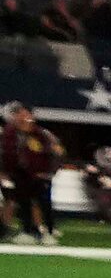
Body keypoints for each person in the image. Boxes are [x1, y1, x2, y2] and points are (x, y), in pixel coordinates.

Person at [5, 104, 65, 245]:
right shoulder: (11, 133)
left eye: (26, 115)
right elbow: (8, 155)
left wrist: (50, 172)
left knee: (44, 205)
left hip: (40, 176)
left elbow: (57, 153)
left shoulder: (42, 134)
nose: (23, 118)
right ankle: (28, 232)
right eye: (20, 114)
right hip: (21, 175)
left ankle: (48, 232)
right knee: (24, 204)